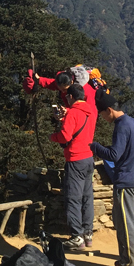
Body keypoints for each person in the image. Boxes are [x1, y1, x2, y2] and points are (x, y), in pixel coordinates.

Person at [90, 90, 134, 266]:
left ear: (109, 110)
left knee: (125, 223)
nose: (103, 118)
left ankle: (130, 264)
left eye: (102, 114)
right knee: (126, 221)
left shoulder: (121, 126)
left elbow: (114, 154)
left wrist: (96, 147)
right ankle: (128, 257)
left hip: (125, 181)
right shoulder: (132, 122)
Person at [49, 83, 98, 251]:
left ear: (70, 97)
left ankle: (77, 236)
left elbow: (64, 136)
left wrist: (53, 136)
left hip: (75, 159)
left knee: (73, 198)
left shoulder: (73, 114)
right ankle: (87, 233)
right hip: (89, 158)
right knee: (87, 197)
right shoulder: (91, 111)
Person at [24, 65, 97, 106]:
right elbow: (52, 83)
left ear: (71, 82)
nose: (63, 92)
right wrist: (39, 80)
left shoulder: (85, 91)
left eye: (65, 90)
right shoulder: (64, 81)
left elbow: (90, 111)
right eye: (61, 89)